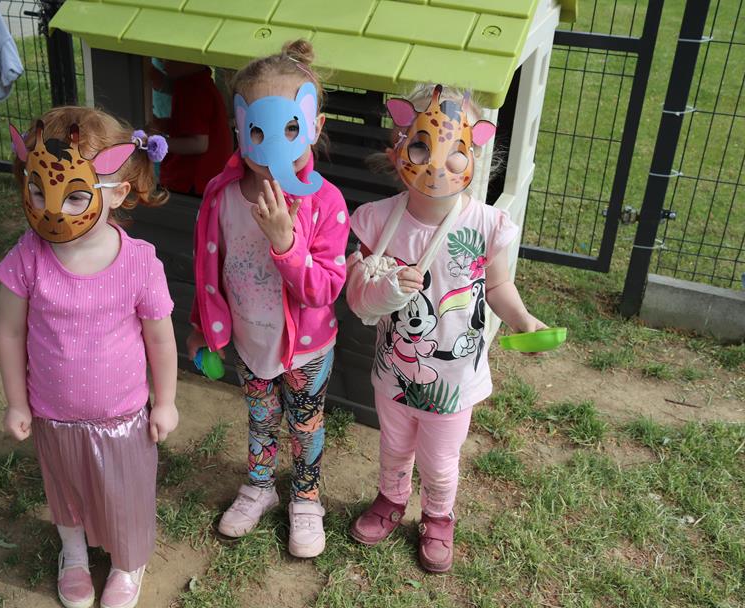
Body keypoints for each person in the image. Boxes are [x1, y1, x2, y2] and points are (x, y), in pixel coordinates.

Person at [345, 85, 545, 573]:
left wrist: (522, 319)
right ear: (397, 149)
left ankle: (438, 516)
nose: (437, 163)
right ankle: (391, 499)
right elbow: (356, 292)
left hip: (455, 382)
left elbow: (498, 285)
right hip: (394, 373)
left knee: (439, 460)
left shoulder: (485, 224)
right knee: (394, 447)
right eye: (421, 145)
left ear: (475, 151)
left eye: (456, 148)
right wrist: (384, 286)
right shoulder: (377, 221)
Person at [0, 106, 177, 608]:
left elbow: (160, 339)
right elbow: (9, 331)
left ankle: (128, 562)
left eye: (74, 195)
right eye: (38, 192)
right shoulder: (29, 255)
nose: (53, 209)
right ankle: (72, 553)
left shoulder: (139, 262)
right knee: (66, 490)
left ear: (117, 192)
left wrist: (166, 402)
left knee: (124, 494)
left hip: (123, 419)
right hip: (53, 415)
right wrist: (17, 402)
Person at [186, 40, 349, 558]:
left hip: (306, 349)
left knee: (304, 424)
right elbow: (207, 270)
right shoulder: (221, 195)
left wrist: (285, 242)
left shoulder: (326, 202)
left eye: (289, 129)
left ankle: (306, 496)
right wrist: (201, 325)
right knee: (260, 418)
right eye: (256, 131)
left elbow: (326, 288)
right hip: (249, 341)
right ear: (240, 127)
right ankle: (260, 485)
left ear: (315, 126)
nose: (270, 143)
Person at [159, 61, 233, 196]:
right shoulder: (200, 83)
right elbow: (186, 126)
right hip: (207, 178)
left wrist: (156, 143)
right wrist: (159, 124)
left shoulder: (194, 90)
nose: (163, 62)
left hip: (194, 180)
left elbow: (199, 144)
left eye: (169, 58)